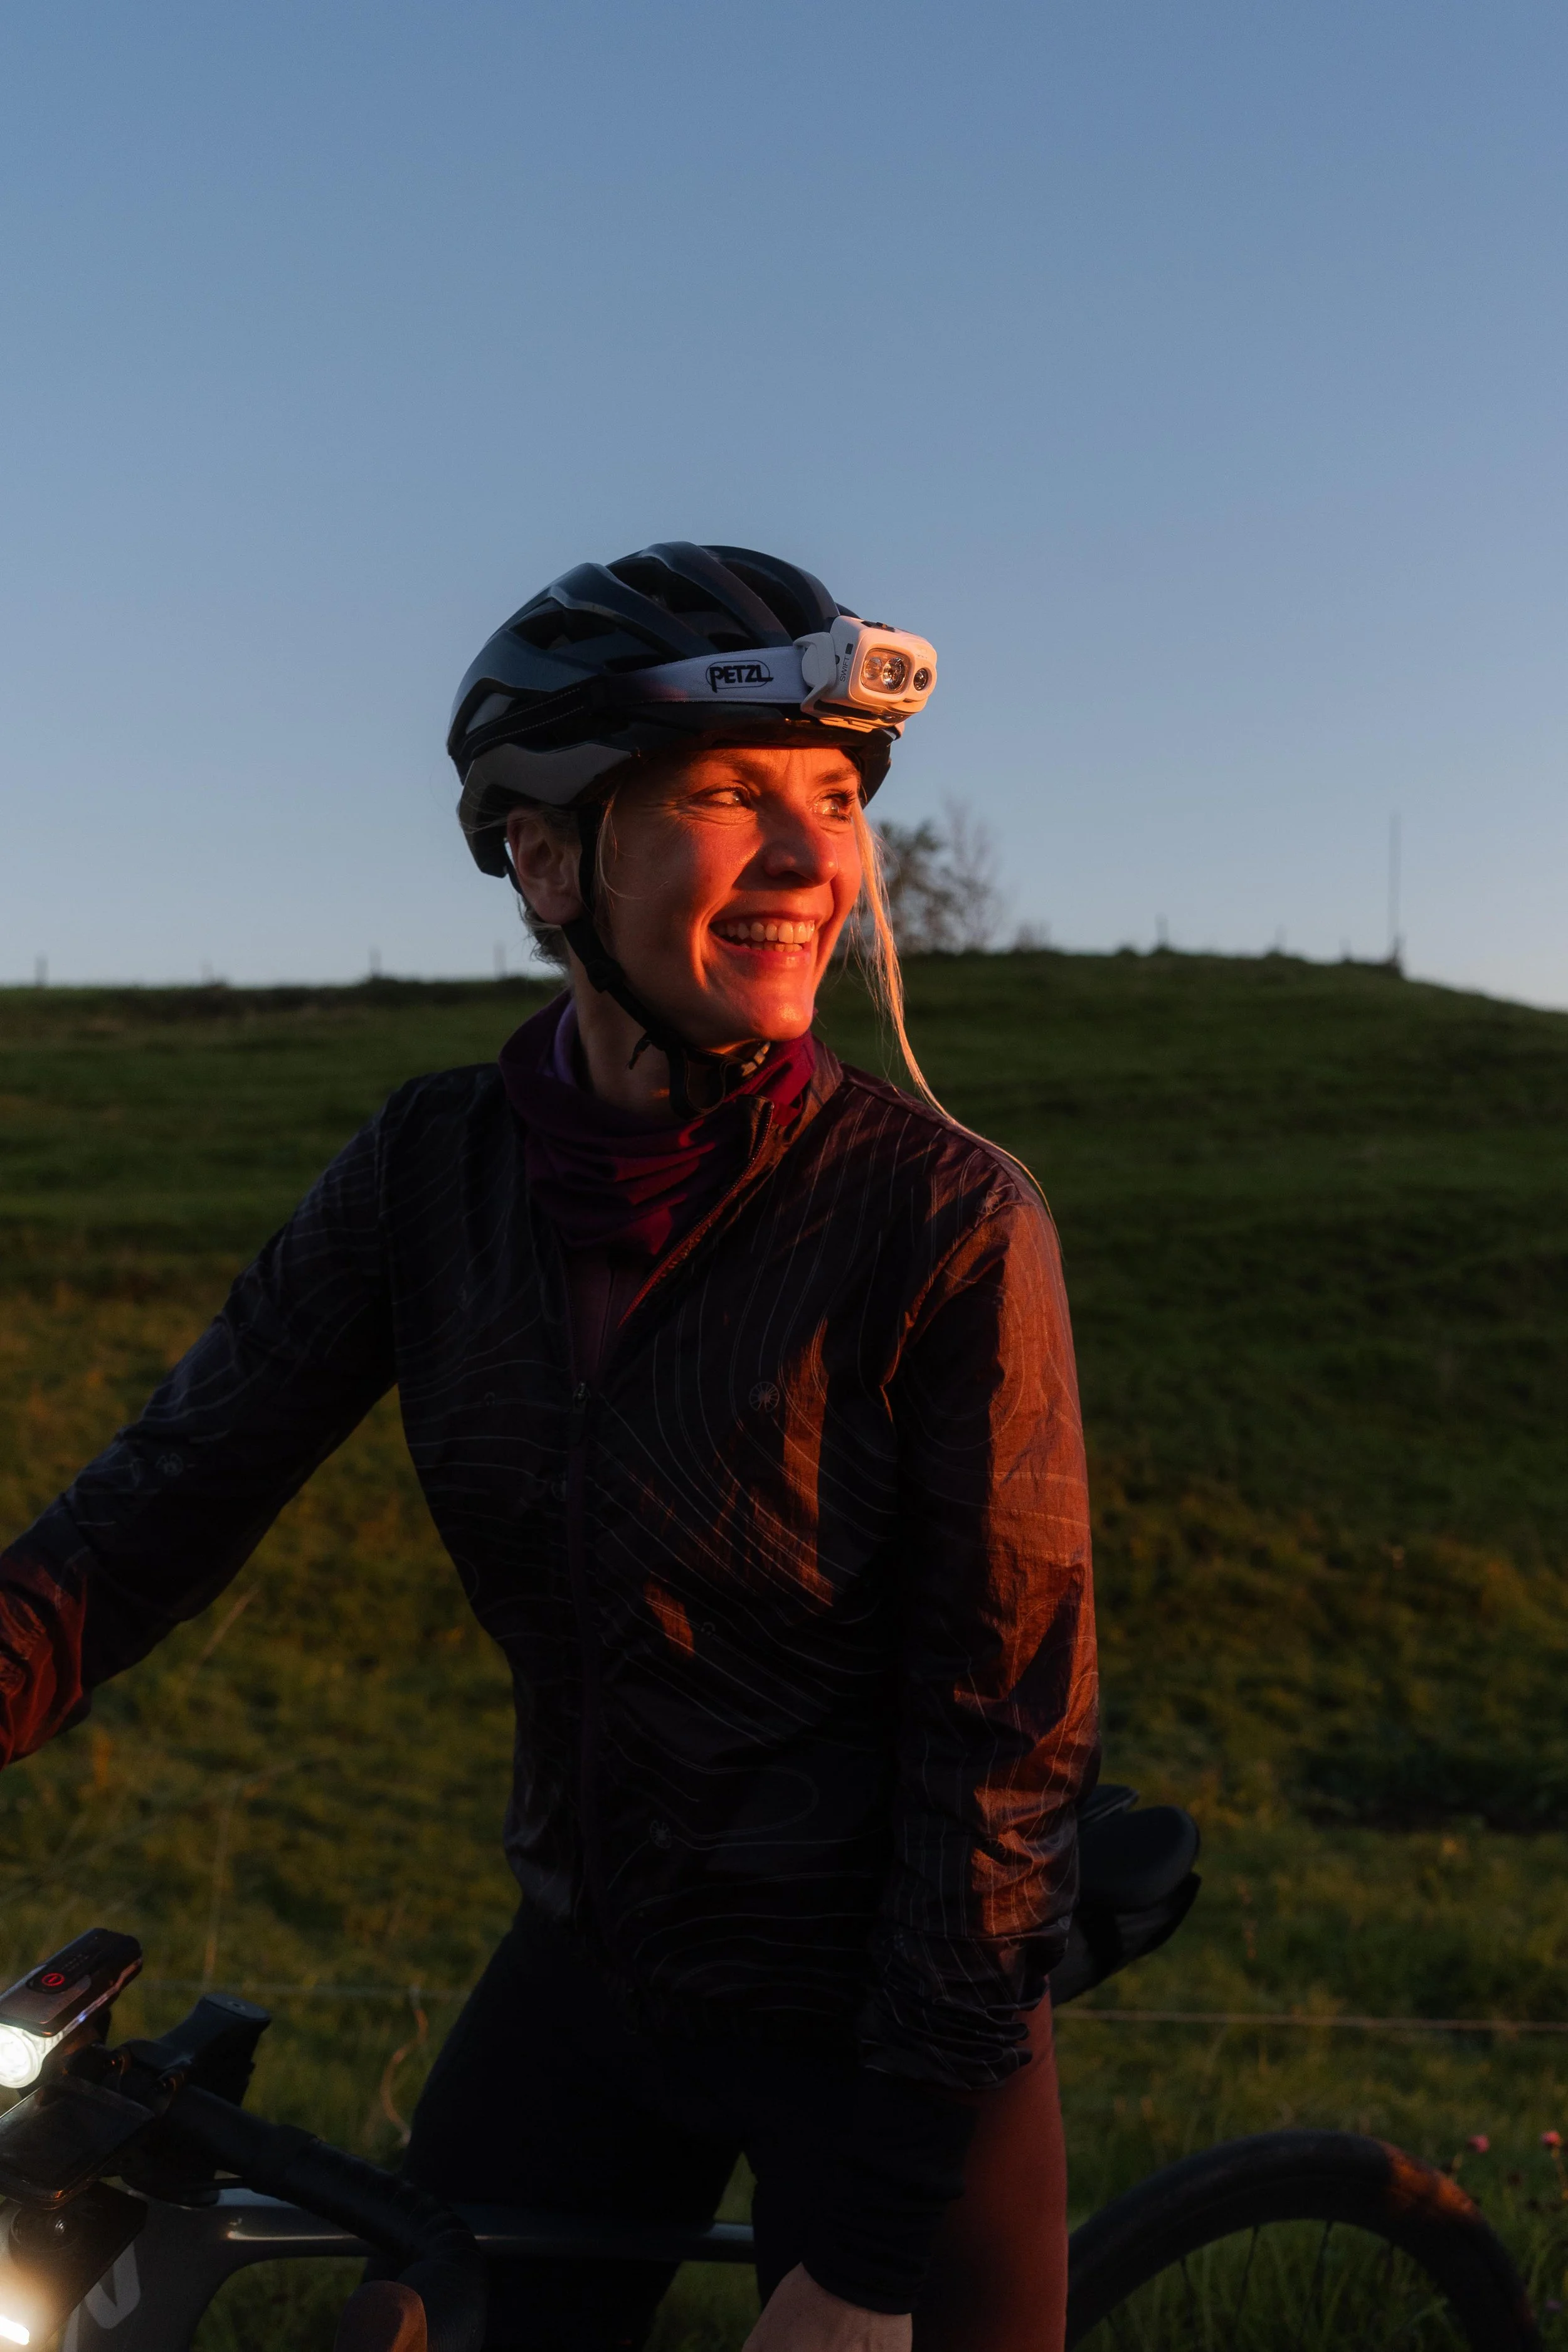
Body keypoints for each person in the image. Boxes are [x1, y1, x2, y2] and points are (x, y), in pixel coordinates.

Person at [0, 543, 1098, 2352]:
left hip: (902, 2027)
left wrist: (875, 2257)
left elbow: (1003, 1752)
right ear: (539, 854)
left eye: (834, 800)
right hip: (594, 1974)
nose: (816, 860)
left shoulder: (943, 1221)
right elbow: (151, 1511)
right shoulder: (432, 1177)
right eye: (732, 795)